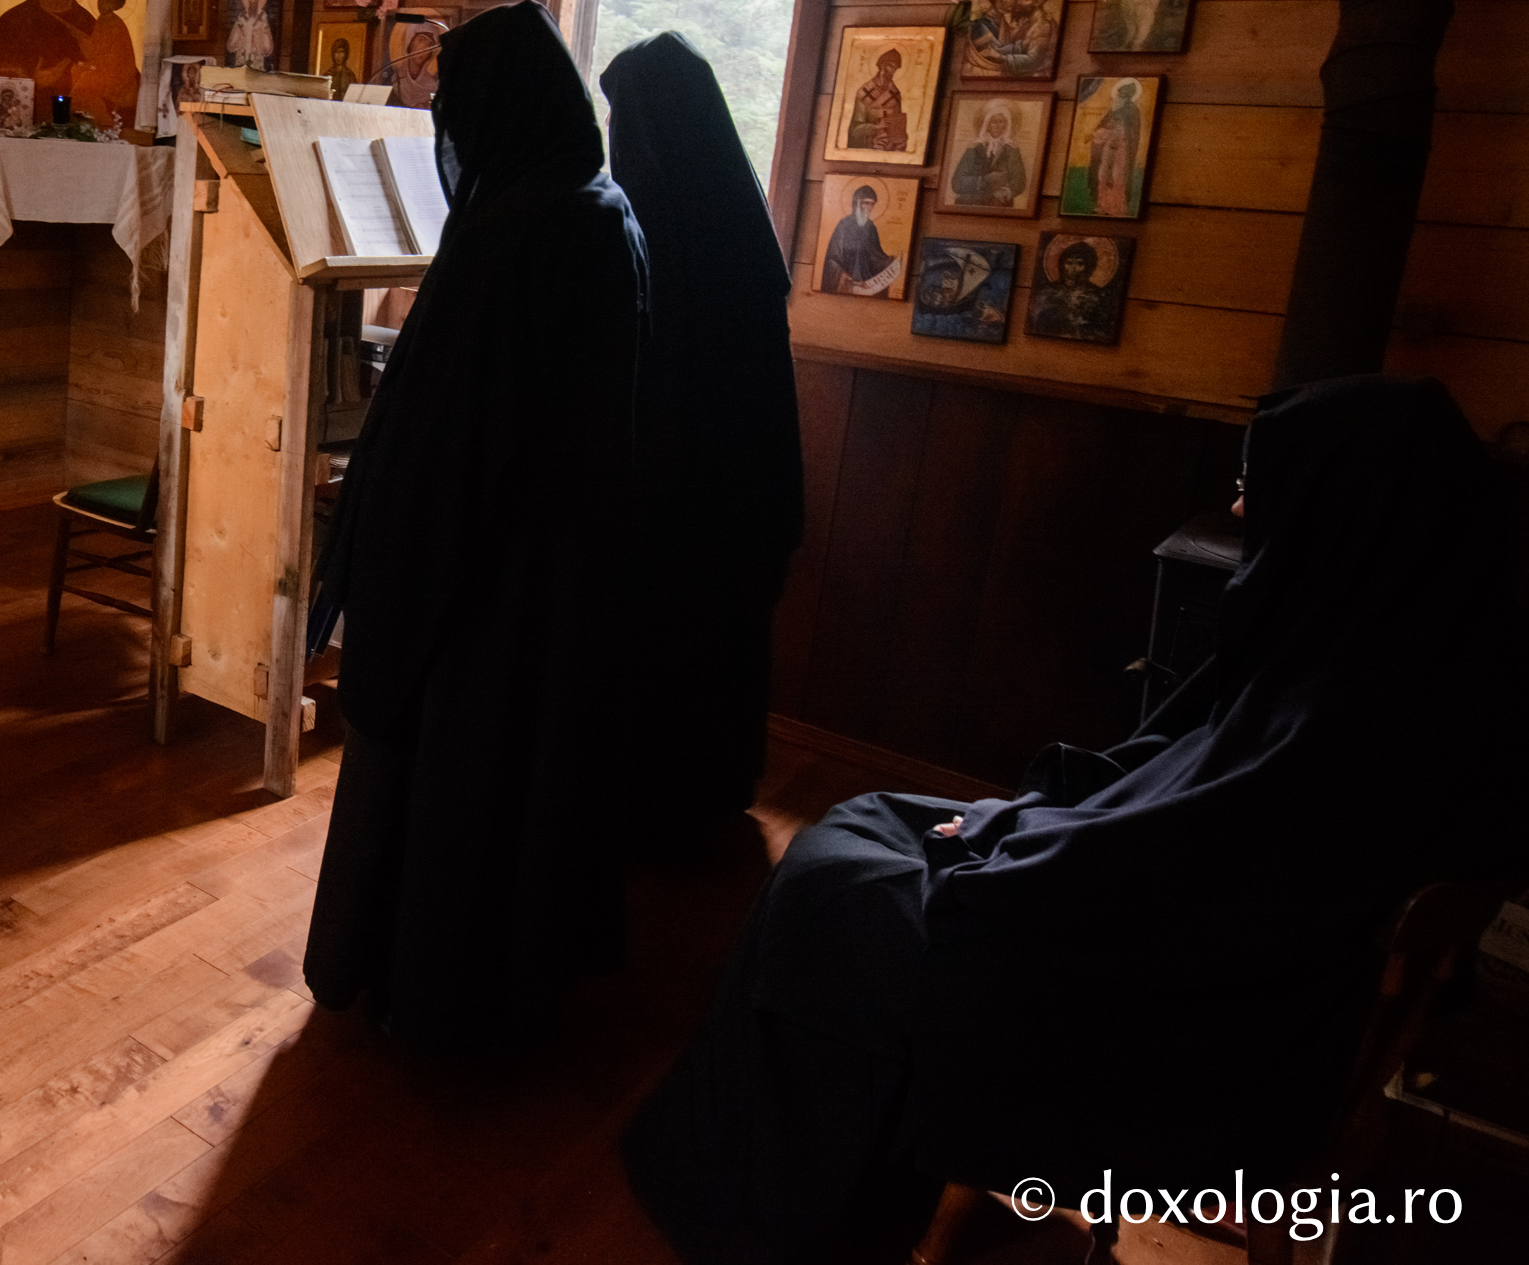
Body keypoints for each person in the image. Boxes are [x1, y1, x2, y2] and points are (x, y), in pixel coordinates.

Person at [623, 375, 1526, 1265]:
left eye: (1263, 486)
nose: (1244, 507)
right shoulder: (1398, 646)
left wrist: (1000, 850)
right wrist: (1017, 828)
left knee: (830, 887)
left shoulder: (1347, 711)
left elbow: (1191, 861)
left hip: (1181, 1011)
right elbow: (1190, 817)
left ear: (1345, 505)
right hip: (1191, 940)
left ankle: (771, 1200)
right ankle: (815, 1169)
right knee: (868, 819)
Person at [302, 0, 648, 1053]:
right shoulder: (595, 205)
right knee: (527, 784)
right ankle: (499, 981)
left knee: (456, 788)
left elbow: (450, 439)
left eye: (458, 108)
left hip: (479, 584)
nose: (451, 134)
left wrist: (382, 548)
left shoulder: (522, 230)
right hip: (557, 573)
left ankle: (437, 991)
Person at [601, 34, 804, 837]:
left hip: (682, 487)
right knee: (721, 646)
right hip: (745, 485)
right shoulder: (729, 211)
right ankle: (712, 792)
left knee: (673, 645)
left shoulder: (658, 218)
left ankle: (660, 807)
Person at [72, 0, 140, 128]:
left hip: (116, 74)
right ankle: (82, 120)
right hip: (103, 69)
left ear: (117, 4)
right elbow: (96, 47)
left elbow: (115, 56)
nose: (102, 4)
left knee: (85, 81)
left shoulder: (115, 23)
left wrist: (93, 63)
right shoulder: (102, 21)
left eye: (107, 1)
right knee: (74, 71)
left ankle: (101, 121)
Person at [1079, 79, 1144, 216]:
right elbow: (1104, 125)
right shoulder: (1113, 109)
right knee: (1102, 175)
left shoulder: (1132, 110)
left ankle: (1116, 208)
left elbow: (1132, 131)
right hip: (1107, 149)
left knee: (1117, 177)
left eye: (1122, 94)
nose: (1119, 97)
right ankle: (1102, 206)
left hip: (1122, 151)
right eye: (1119, 93)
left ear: (1128, 96)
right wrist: (1097, 134)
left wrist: (1116, 133)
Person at [819, 185, 898, 294]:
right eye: (866, 203)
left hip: (866, 278)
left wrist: (889, 262)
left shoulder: (870, 227)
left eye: (872, 204)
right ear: (857, 203)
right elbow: (832, 257)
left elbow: (876, 255)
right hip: (846, 278)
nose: (869, 207)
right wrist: (844, 275)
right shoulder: (844, 225)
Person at [948, 105, 1025, 209]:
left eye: (1001, 121)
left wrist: (1005, 191)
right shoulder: (974, 148)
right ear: (987, 124)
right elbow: (957, 183)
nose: (997, 125)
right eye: (994, 121)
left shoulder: (1011, 150)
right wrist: (984, 180)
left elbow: (1019, 181)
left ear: (1005, 125)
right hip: (970, 204)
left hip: (998, 206)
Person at [842, 49, 909, 154]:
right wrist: (876, 127)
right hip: (871, 143)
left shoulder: (895, 94)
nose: (892, 72)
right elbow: (854, 130)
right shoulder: (864, 93)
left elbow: (898, 123)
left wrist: (901, 136)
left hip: (891, 145)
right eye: (890, 66)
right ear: (882, 66)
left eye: (895, 68)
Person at [224, 0, 274, 72]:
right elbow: (231, 45)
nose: (253, 0)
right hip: (241, 64)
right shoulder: (242, 17)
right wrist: (240, 34)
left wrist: (259, 34)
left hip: (257, 66)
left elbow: (268, 49)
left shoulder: (262, 18)